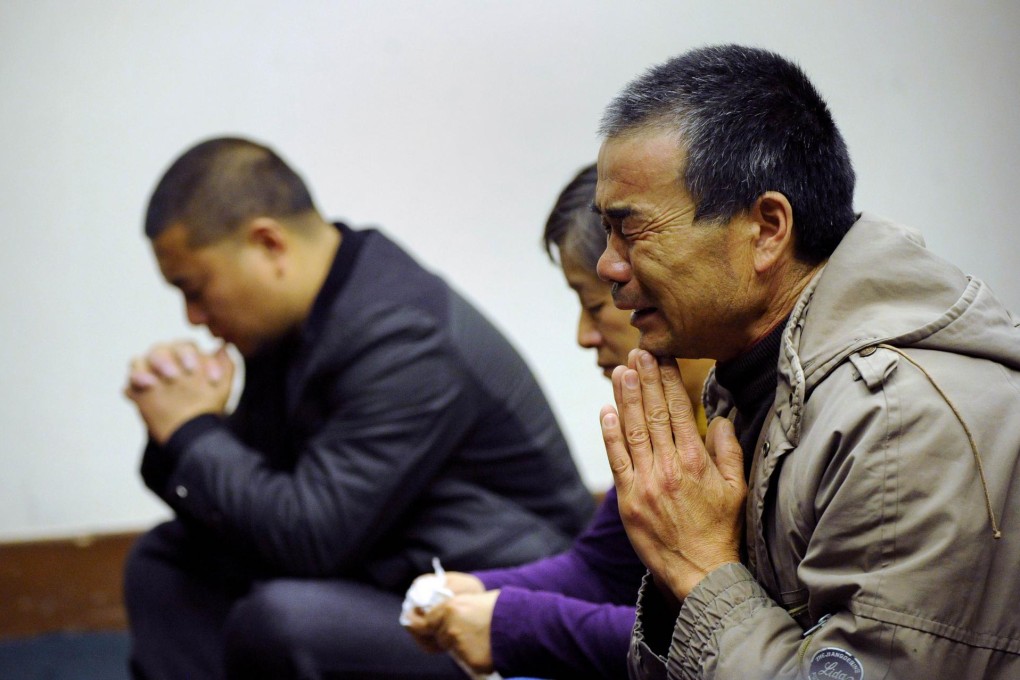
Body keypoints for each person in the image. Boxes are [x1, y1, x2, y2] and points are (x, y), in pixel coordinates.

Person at [594, 44, 1020, 679]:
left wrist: (699, 570)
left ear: (767, 229)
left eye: (631, 231)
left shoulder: (899, 420)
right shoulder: (751, 382)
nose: (608, 266)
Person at [121, 136, 596, 680]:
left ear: (268, 244)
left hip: (498, 608)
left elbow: (309, 539)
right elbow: (254, 501)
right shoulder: (297, 320)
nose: (193, 316)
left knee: (283, 621)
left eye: (196, 288)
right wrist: (184, 428)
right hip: (385, 568)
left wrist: (192, 430)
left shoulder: (403, 336)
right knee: (166, 563)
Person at [405, 164, 713, 679]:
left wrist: (514, 621)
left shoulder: (758, 419)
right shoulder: (669, 417)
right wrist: (483, 592)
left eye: (597, 304)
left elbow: (715, 642)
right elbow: (600, 569)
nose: (582, 335)